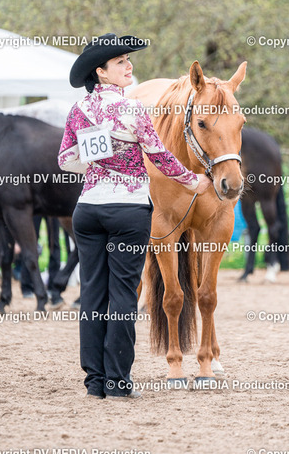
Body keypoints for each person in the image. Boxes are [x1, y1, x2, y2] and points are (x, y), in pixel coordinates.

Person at [58, 33, 211, 400]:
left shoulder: (78, 110)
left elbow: (64, 160)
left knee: (92, 295)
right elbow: (159, 155)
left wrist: (99, 166)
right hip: (127, 211)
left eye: (127, 60)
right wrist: (194, 181)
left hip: (88, 210)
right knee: (123, 295)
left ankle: (95, 381)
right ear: (101, 72)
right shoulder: (133, 110)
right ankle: (117, 381)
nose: (129, 66)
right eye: (121, 62)